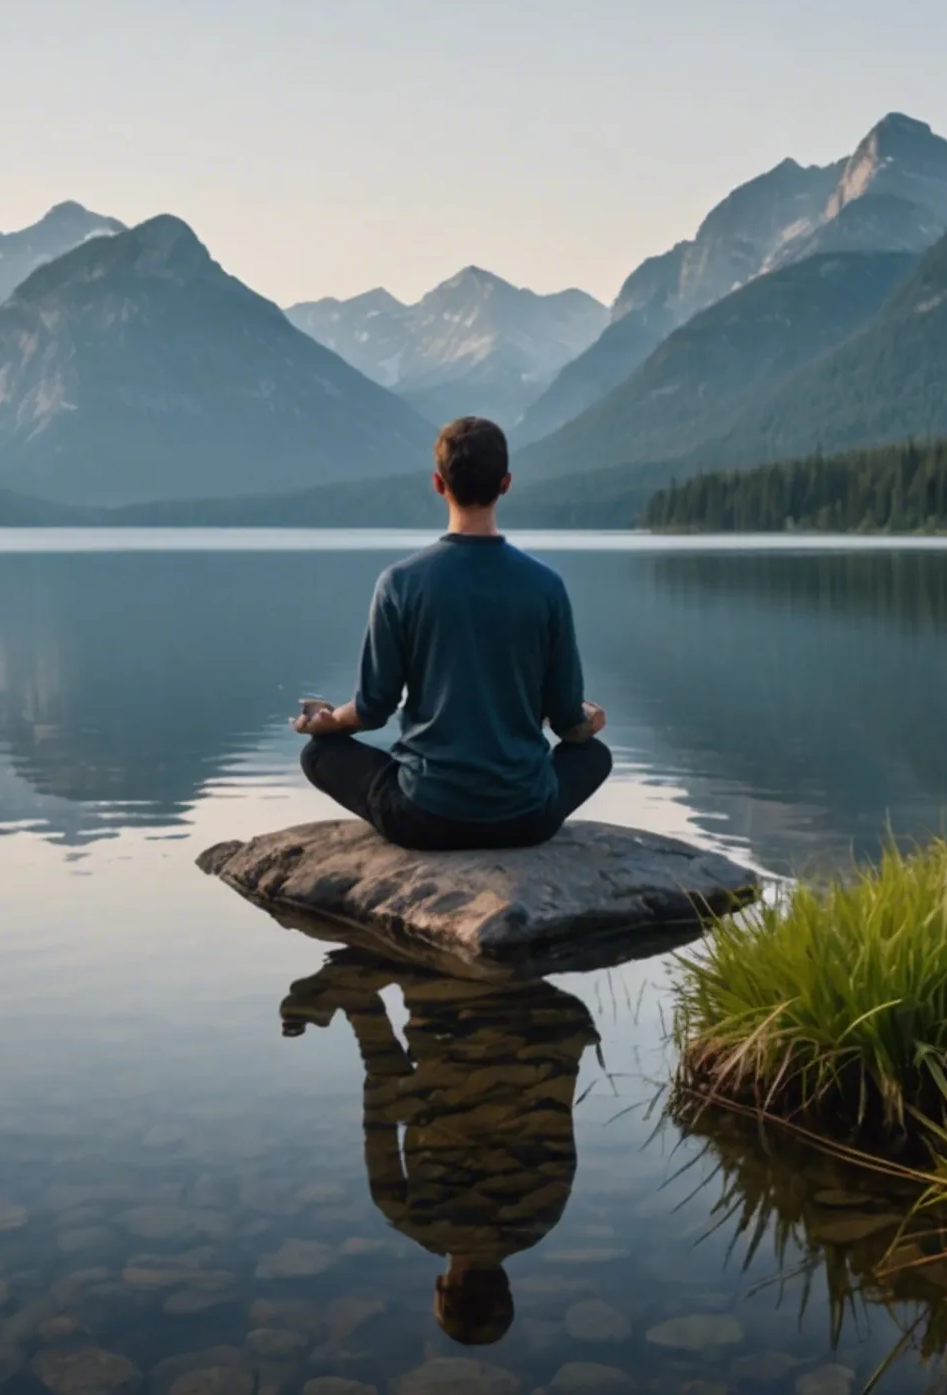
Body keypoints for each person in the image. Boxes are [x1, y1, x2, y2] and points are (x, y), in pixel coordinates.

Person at [292, 416, 610, 850]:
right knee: (593, 756)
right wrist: (588, 718)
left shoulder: (399, 583)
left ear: (439, 484)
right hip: (526, 819)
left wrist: (329, 723)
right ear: (506, 484)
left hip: (423, 817)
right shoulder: (546, 586)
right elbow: (568, 723)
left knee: (319, 754)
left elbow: (372, 709)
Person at [279, 948, 598, 1345]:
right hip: (454, 1020)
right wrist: (362, 1009)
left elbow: (556, 1123)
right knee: (384, 957)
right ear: (444, 1289)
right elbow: (379, 1101)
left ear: (507, 1285)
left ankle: (343, 989)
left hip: (552, 1019)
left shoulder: (543, 1218)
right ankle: (340, 990)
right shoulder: (412, 1217)